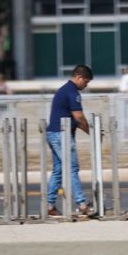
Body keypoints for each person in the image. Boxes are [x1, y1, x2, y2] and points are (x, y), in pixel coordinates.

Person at [46, 65, 94, 216]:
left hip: (54, 133)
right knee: (72, 168)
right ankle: (81, 203)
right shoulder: (72, 92)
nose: (86, 86)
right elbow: (79, 117)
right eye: (86, 82)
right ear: (79, 77)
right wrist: (92, 132)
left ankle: (49, 205)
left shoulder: (65, 89)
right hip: (61, 135)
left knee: (58, 171)